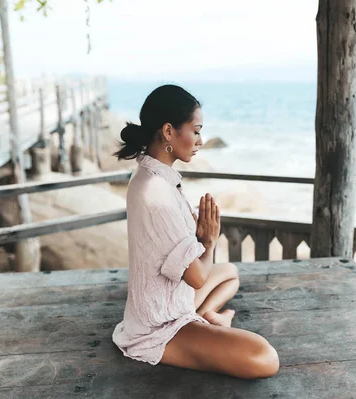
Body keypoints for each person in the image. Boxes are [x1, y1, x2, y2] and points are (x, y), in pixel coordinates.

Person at [111, 85, 279, 379]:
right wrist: (208, 240)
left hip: (167, 297)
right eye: (196, 130)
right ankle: (203, 324)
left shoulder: (151, 176)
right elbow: (197, 276)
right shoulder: (158, 193)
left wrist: (193, 232)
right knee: (264, 358)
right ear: (168, 132)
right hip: (157, 326)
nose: (201, 140)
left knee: (229, 273)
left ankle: (206, 316)